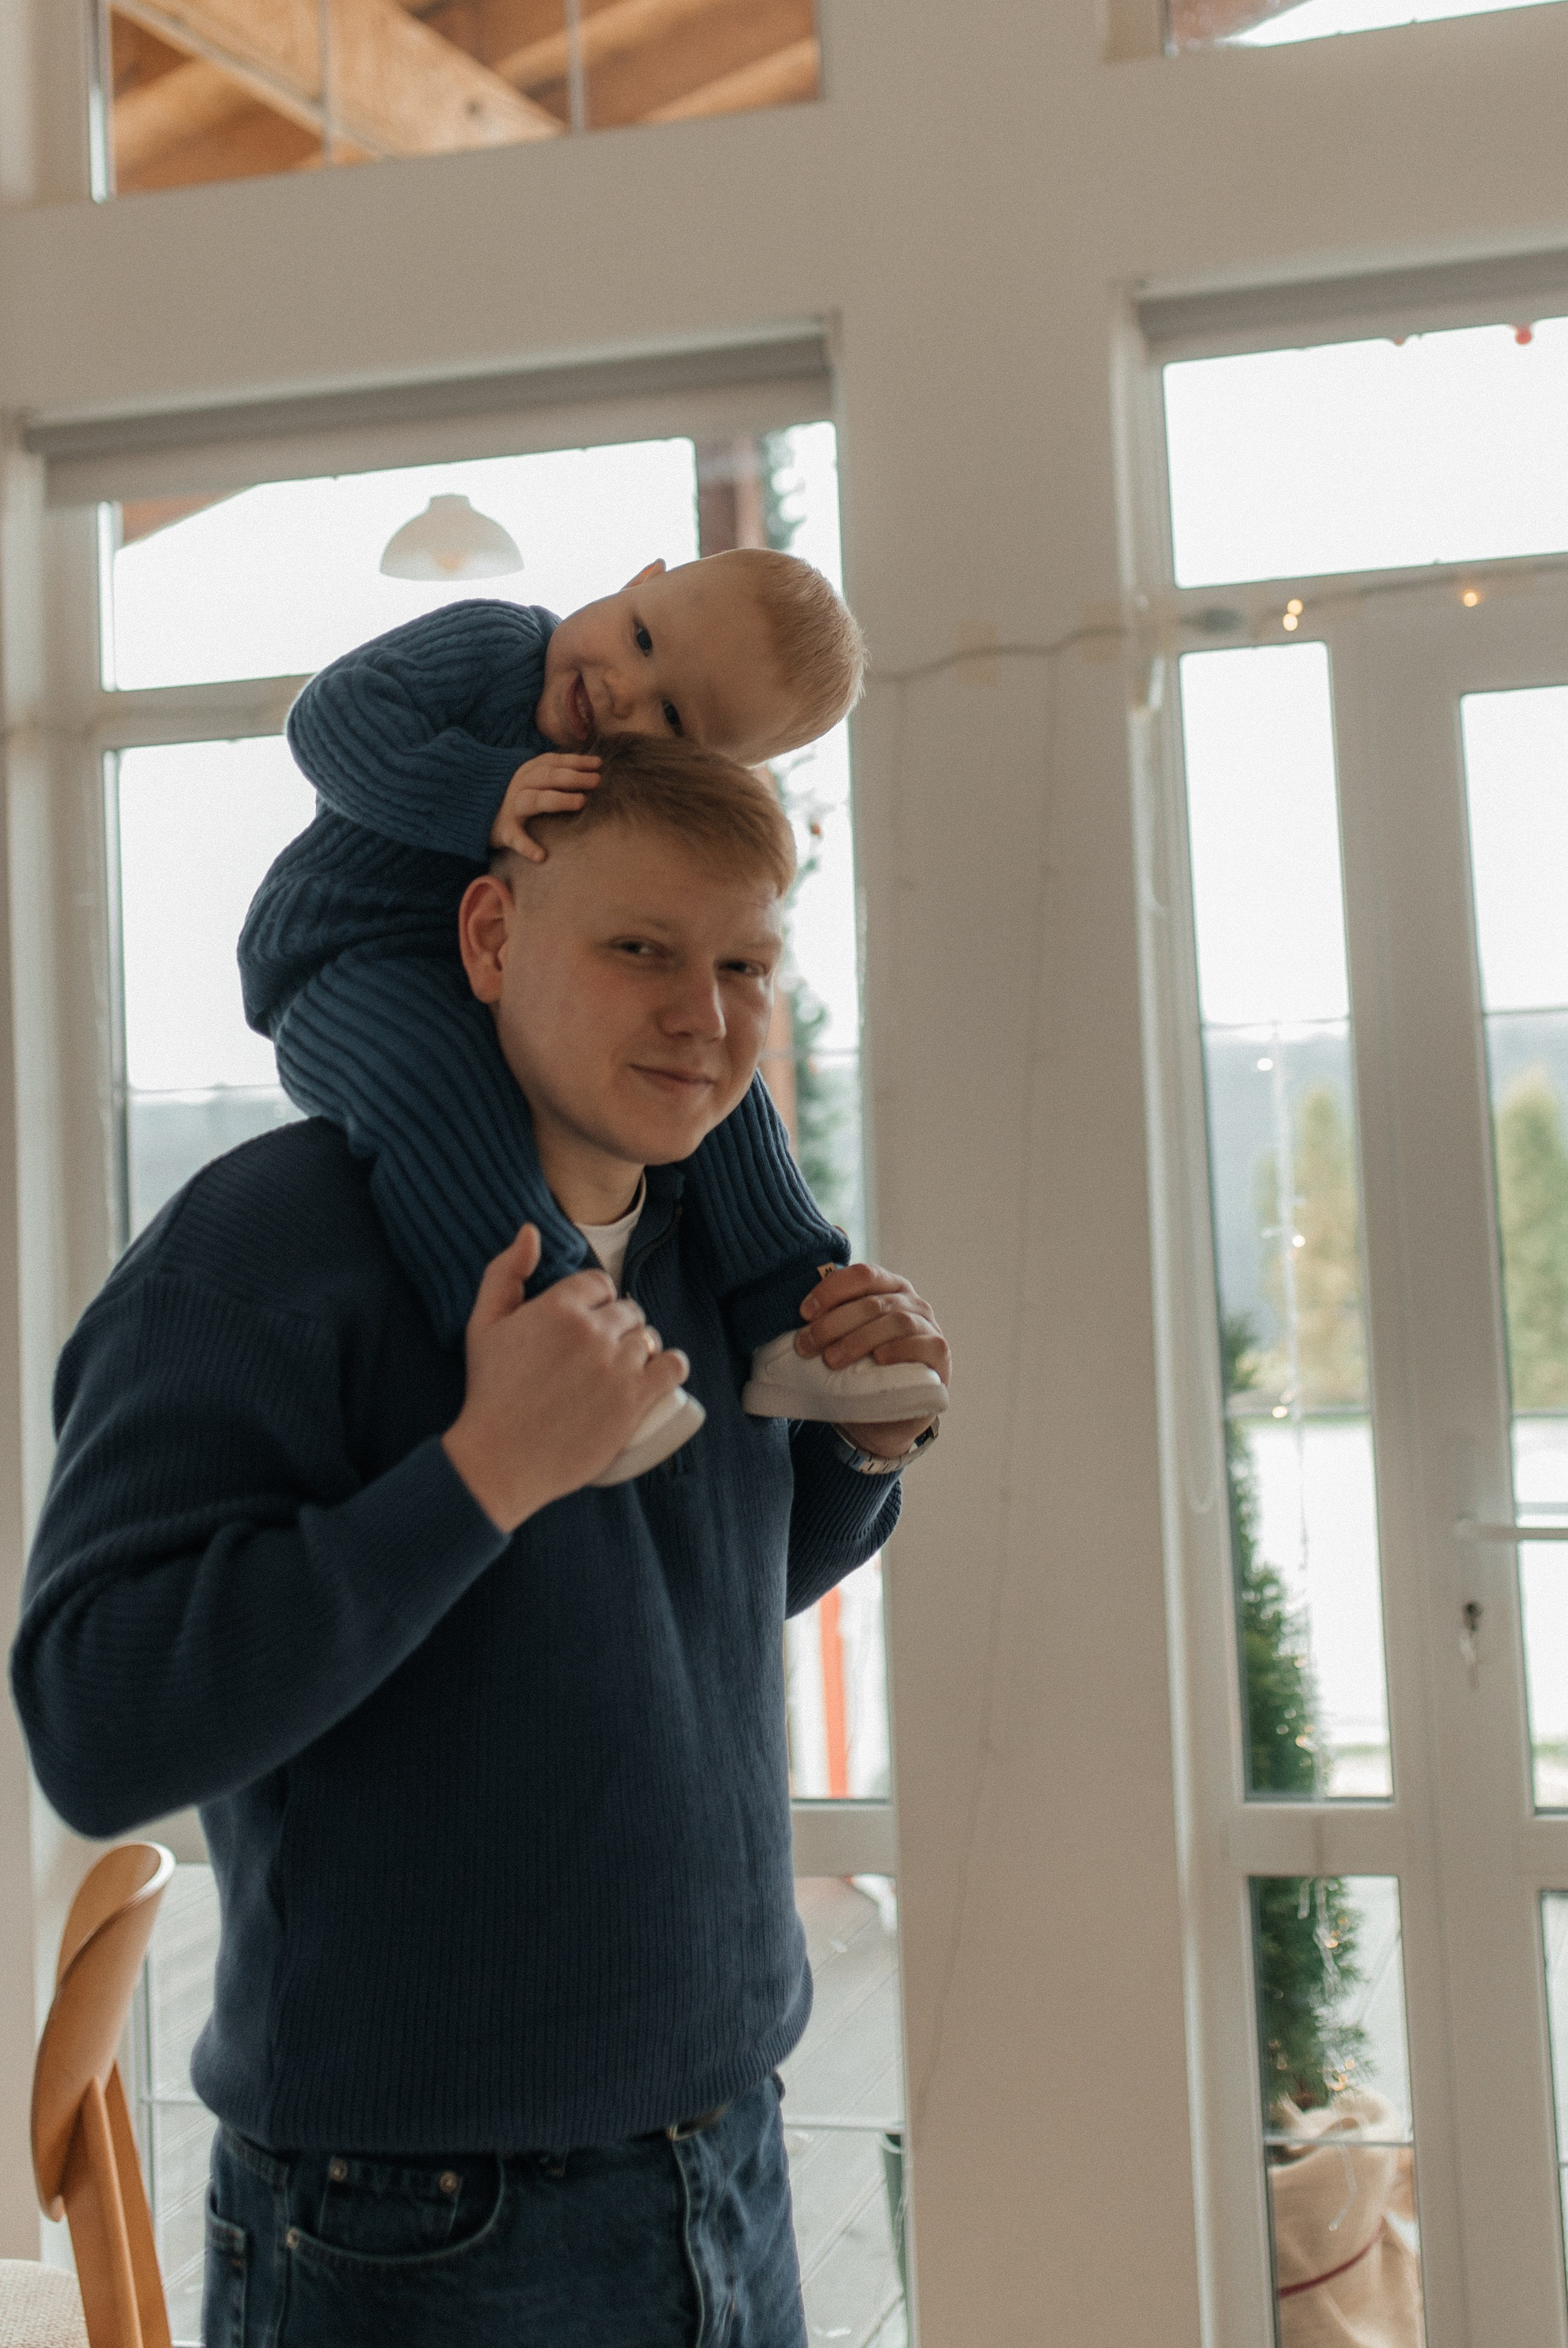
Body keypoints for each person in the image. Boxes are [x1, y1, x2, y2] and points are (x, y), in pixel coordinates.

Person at [11, 735, 951, 2348]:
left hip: (728, 2149)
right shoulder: (260, 1248)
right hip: (418, 2227)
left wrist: (859, 1456)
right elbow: (95, 1731)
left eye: (744, 965)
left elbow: (672, 1610)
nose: (703, 1016)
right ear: (490, 940)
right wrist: (478, 1472)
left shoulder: (700, 1245)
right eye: (640, 948)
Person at [238, 551, 948, 1484]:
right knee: (430, 1081)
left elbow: (736, 1584)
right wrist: (482, 793)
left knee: (720, 1095)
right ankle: (551, 1324)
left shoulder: (625, 803)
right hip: (352, 952)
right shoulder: (500, 646)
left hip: (475, 990)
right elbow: (334, 716)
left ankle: (790, 1313)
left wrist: (865, 1447)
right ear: (639, 576)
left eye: (673, 719)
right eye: (642, 635)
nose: (621, 692)